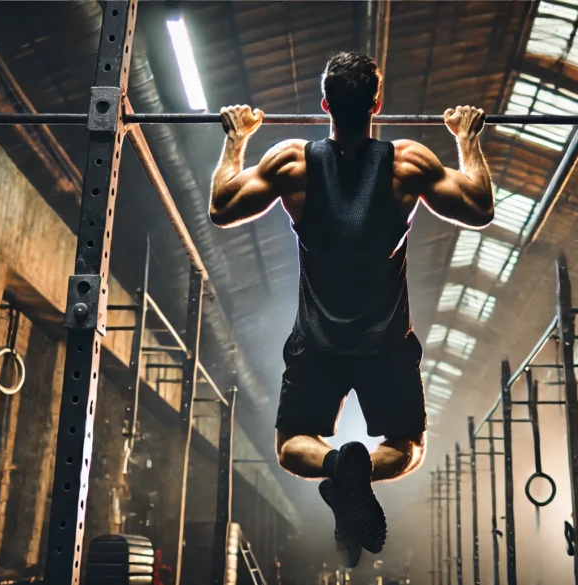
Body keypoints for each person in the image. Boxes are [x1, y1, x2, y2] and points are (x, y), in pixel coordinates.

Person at [209, 51, 495, 566]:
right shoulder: (408, 163)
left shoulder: (291, 162)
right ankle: (355, 470)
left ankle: (341, 464)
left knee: (292, 444)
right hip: (386, 341)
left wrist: (237, 140)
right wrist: (466, 140)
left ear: (325, 106)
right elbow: (479, 207)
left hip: (317, 340)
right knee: (407, 446)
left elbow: (222, 206)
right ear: (377, 105)